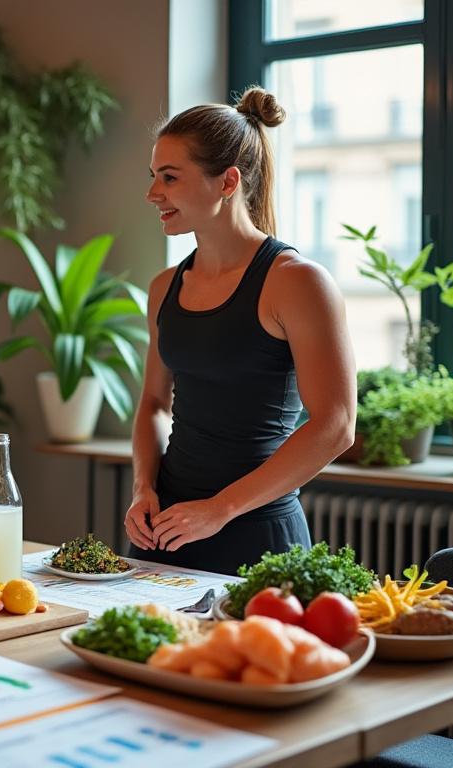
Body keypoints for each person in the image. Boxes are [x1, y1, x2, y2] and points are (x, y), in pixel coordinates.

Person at [124, 86, 356, 576]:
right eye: (153, 177)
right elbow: (152, 403)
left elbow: (335, 426)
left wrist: (220, 509)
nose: (152, 194)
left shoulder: (298, 282)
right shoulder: (164, 287)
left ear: (227, 181)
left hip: (258, 538)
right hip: (167, 532)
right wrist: (144, 487)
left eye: (169, 177)